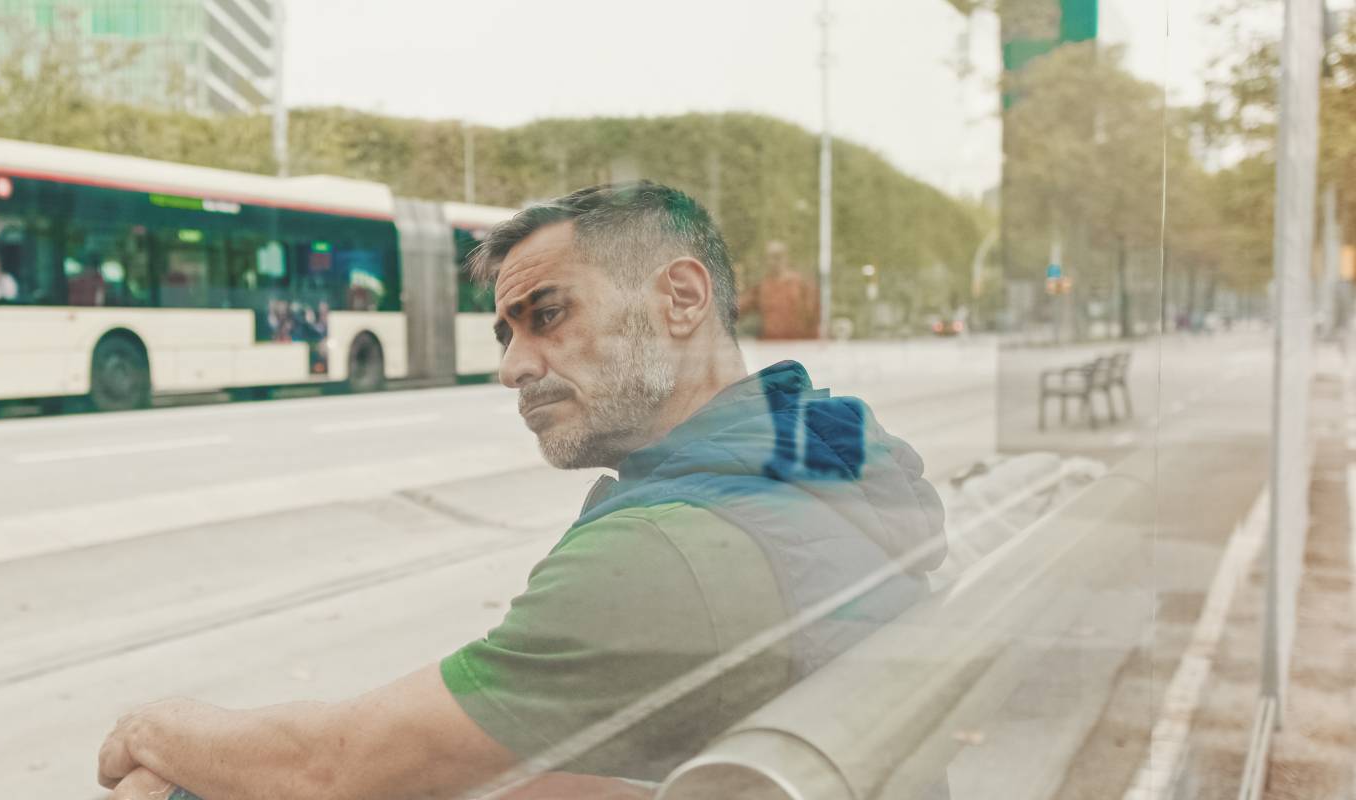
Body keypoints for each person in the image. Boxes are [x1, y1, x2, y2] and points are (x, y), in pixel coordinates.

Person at [97, 181, 946, 799]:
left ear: (682, 298)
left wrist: (153, 728)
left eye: (549, 315)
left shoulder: (665, 550)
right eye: (507, 332)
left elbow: (336, 767)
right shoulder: (819, 449)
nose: (511, 367)